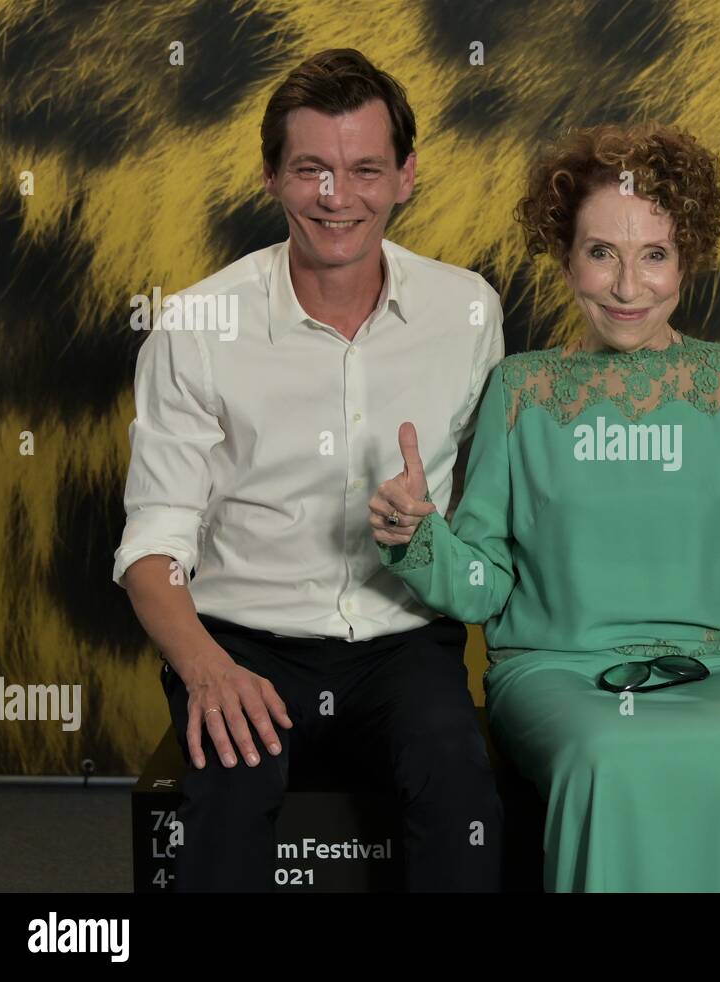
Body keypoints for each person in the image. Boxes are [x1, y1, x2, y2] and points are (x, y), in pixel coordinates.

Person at [370, 122, 720, 892]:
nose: (627, 286)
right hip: (554, 670)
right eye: (601, 253)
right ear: (566, 256)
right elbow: (484, 587)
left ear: (686, 260)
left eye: (654, 255)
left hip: (711, 669)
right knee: (608, 755)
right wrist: (417, 538)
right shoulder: (520, 387)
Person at [113, 49, 504, 891]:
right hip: (242, 640)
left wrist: (429, 531)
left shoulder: (468, 310)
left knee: (459, 785)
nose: (338, 196)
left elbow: (496, 519)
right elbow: (152, 544)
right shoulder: (196, 326)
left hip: (402, 643)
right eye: (312, 170)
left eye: (365, 169)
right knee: (227, 789)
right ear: (271, 178)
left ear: (406, 176)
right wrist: (207, 669)